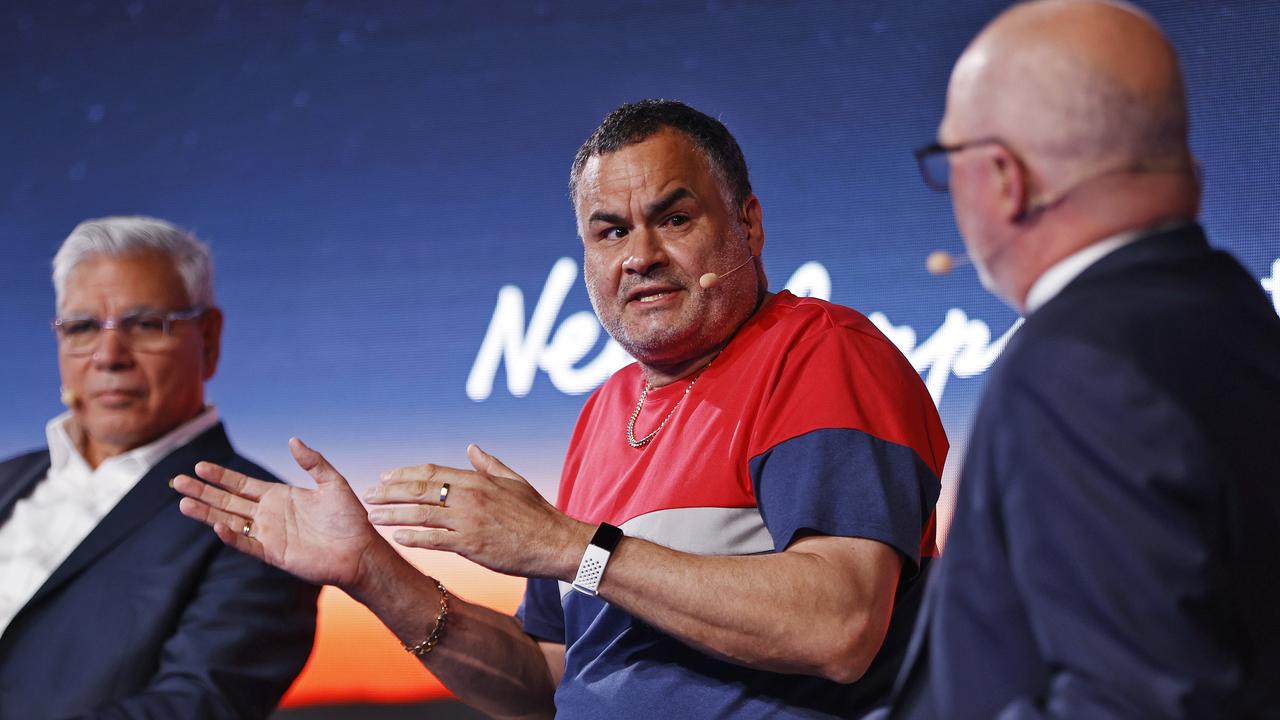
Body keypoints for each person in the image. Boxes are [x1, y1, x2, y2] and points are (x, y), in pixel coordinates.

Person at [173, 100, 947, 719]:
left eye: (674, 219)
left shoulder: (821, 352)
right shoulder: (604, 414)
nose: (639, 255)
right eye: (610, 232)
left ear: (747, 224)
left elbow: (839, 626)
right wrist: (372, 574)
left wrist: (573, 547)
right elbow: (544, 680)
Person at [886, 1, 1280, 717]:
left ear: (1005, 178)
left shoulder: (1071, 369)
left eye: (952, 161)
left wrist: (604, 561)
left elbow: (1134, 704)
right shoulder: (1241, 317)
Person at [0, 217, 319, 719]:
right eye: (82, 327)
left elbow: (198, 705)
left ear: (208, 340)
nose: (109, 356)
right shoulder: (8, 480)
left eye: (147, 324)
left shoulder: (260, 521)